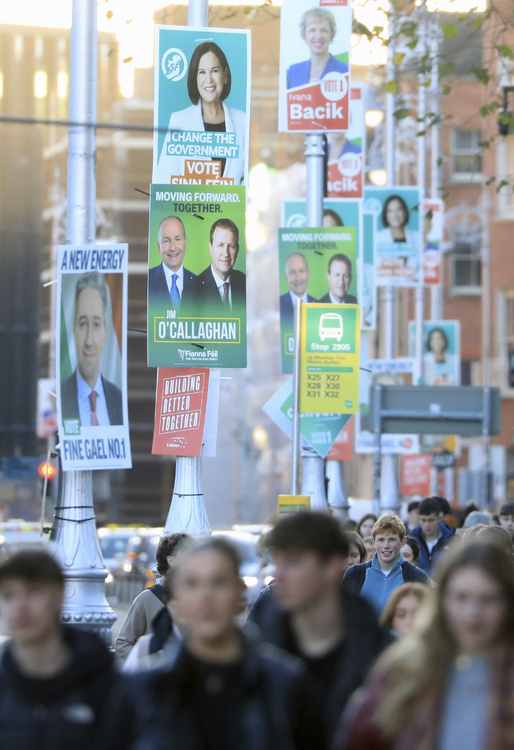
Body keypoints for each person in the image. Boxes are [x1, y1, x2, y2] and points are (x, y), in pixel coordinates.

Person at [132, 537, 326, 750]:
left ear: (239, 592)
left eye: (219, 582)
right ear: (177, 597)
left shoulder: (286, 685)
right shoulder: (144, 691)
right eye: (192, 584)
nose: (206, 596)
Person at [335, 541, 514, 750]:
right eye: (461, 598)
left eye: (488, 599)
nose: (472, 614)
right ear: (443, 600)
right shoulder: (406, 667)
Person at [246, 512, 389, 744]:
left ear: (332, 566)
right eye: (276, 562)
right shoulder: (255, 651)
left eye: (293, 562)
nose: (278, 574)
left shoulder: (382, 657)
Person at [0, 549, 131, 750]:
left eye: (33, 591)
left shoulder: (105, 684)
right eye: (9, 595)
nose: (20, 606)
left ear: (60, 596)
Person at [155, 42, 246, 185]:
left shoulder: (243, 121)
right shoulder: (180, 121)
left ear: (225, 74)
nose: (208, 79)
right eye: (202, 72)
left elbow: (249, 181)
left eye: (214, 71)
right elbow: (165, 181)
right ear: (195, 78)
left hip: (233, 208)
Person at [115, 533, 190, 661]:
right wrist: (149, 663)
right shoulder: (147, 599)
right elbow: (123, 643)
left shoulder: (201, 598)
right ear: (170, 560)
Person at [60, 271, 122, 427]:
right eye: (82, 324)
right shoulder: (60, 398)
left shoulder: (119, 400)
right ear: (74, 328)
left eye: (95, 325)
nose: (88, 340)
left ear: (105, 333)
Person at [343, 514, 429, 616]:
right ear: (373, 542)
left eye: (392, 540)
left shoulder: (417, 577)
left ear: (403, 542)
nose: (386, 546)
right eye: (381, 540)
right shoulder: (355, 574)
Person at [181, 219, 245, 313]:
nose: (226, 253)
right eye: (220, 245)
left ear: (237, 249)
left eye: (231, 246)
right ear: (210, 248)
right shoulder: (192, 293)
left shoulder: (244, 282)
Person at [287, 8, 348, 89]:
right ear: (304, 34)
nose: (318, 36)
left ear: (331, 35)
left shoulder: (345, 71)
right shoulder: (293, 72)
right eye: (312, 30)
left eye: (324, 30)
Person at [148, 216, 196, 310]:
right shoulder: (148, 280)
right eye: (166, 241)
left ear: (185, 243)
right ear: (159, 247)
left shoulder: (198, 284)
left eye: (177, 239)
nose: (173, 248)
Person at [375, 195, 419, 281]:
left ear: (404, 212)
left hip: (412, 289)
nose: (395, 215)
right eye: (390, 211)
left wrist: (415, 279)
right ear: (386, 214)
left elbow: (421, 268)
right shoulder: (378, 238)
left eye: (398, 210)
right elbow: (378, 269)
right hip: (388, 289)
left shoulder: (417, 236)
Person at [410, 496, 456, 574]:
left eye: (431, 520)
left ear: (439, 518)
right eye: (423, 520)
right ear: (418, 518)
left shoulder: (453, 541)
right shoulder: (411, 542)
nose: (427, 525)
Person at [279, 252, 317, 327]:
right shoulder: (278, 306)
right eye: (292, 273)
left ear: (308, 274)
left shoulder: (318, 305)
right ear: (286, 277)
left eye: (301, 271)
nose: (298, 278)